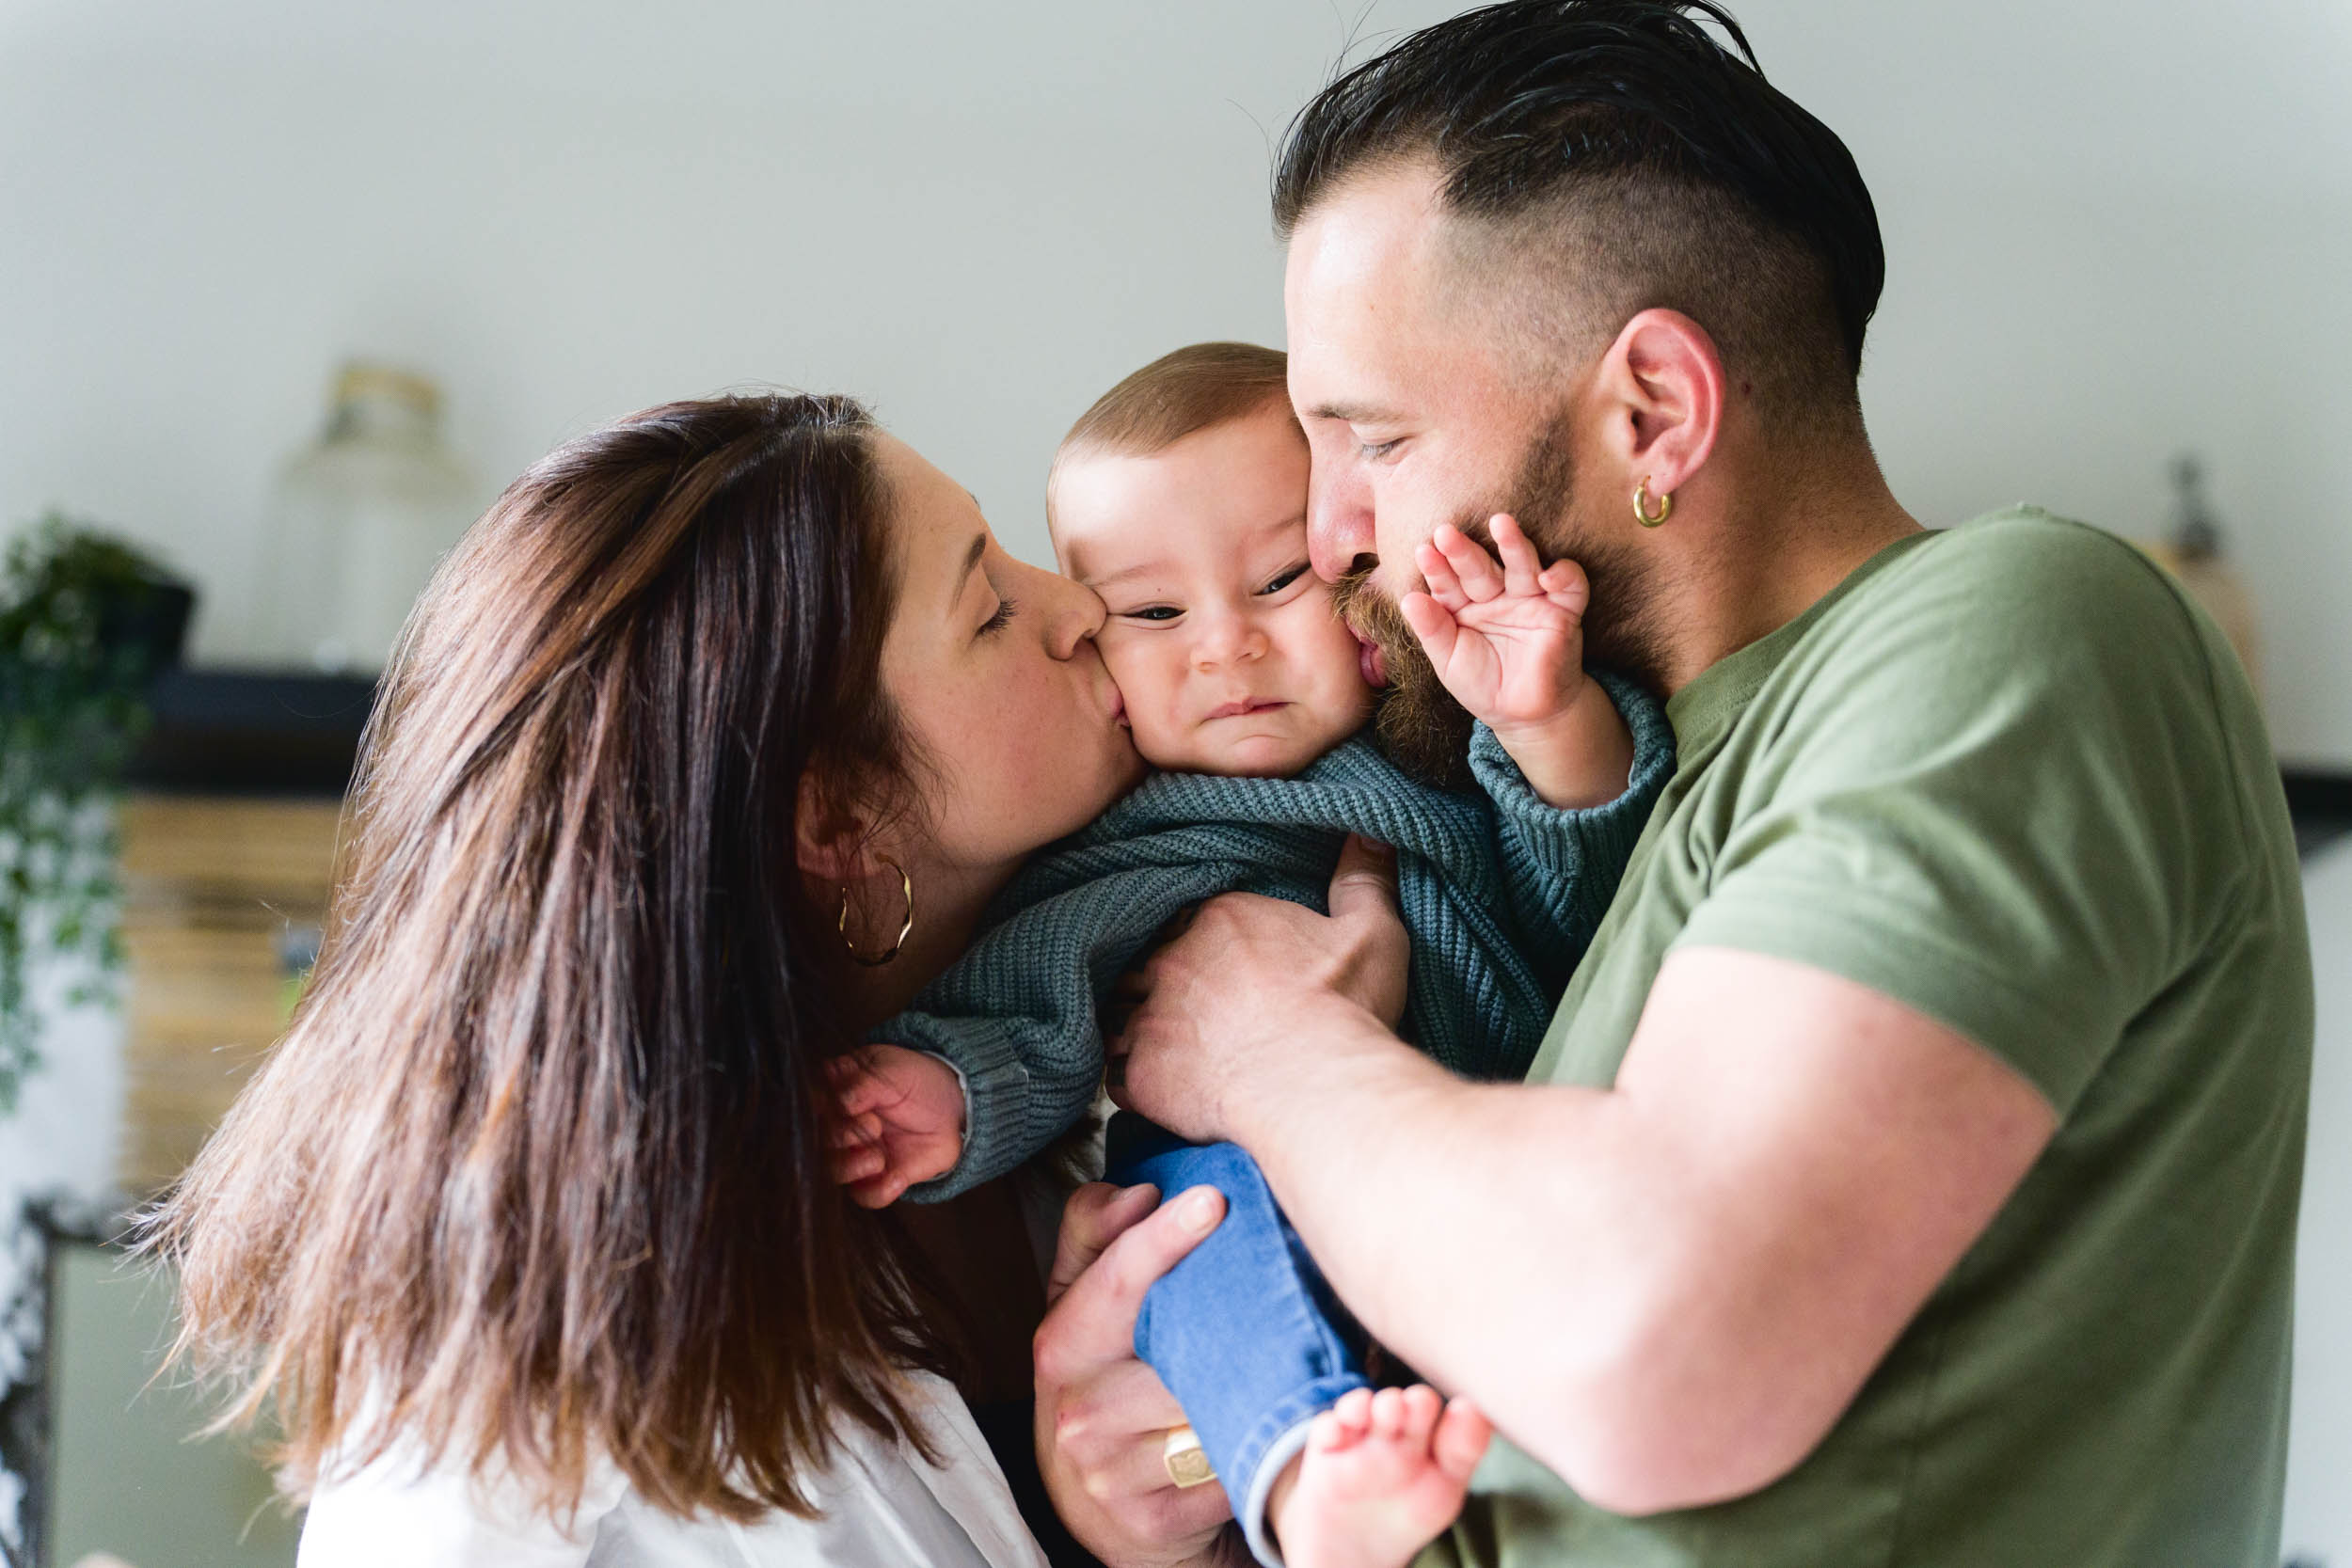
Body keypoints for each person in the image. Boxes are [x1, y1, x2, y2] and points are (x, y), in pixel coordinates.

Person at [1042, 5, 2315, 1567]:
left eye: (1370, 437)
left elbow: (1665, 1356)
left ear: (1654, 411)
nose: (1327, 537)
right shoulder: (1608, 793)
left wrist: (1263, 1056)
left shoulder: (2015, 625)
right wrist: (1204, 1465)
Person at [146, 392, 1230, 1567]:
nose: (1080, 607)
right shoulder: (521, 1468)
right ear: (835, 812)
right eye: (989, 609)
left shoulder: (1051, 1089)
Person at [826, 341, 1672, 1568]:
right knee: (1193, 1226)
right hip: (1247, 1181)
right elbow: (1039, 998)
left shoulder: (1442, 750)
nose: (1224, 648)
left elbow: (1590, 890)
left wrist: (1548, 721)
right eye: (1154, 613)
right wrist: (948, 1088)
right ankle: (1299, 1466)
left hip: (1500, 1155)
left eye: (1281, 580)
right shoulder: (1140, 827)